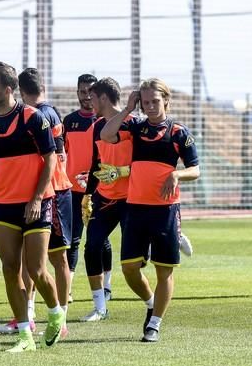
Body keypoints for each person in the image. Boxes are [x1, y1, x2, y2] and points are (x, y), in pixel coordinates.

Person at [0, 62, 65, 353]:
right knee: (9, 269)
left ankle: (56, 313)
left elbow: (50, 159)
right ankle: (25, 336)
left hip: (37, 202)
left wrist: (36, 198)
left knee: (36, 270)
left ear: (8, 90)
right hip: (4, 203)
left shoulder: (33, 118)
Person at [101, 78, 200, 342]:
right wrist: (127, 109)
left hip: (165, 210)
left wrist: (177, 175)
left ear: (166, 100)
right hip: (135, 208)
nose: (151, 107)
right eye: (145, 102)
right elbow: (106, 135)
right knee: (129, 268)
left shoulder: (179, 132)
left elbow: (196, 169)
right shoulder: (135, 127)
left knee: (163, 269)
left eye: (155, 101)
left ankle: (155, 322)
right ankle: (151, 302)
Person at [0, 67, 72, 336]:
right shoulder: (1, 118)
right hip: (35, 194)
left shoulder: (40, 115)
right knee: (22, 263)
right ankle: (27, 315)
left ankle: (61, 317)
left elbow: (53, 156)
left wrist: (39, 195)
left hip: (53, 192)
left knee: (55, 259)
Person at [80, 77, 155, 323]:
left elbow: (145, 166)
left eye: (92, 97)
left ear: (103, 98)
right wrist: (88, 194)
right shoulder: (97, 127)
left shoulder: (136, 125)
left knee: (135, 260)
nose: (89, 102)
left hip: (132, 199)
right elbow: (96, 163)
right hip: (105, 198)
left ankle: (152, 303)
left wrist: (121, 172)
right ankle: (100, 307)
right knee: (92, 246)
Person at [63, 74, 113, 301]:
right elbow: (62, 154)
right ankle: (68, 288)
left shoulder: (106, 123)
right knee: (72, 240)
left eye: (90, 92)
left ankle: (107, 286)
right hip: (74, 190)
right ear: (77, 93)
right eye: (82, 92)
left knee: (100, 239)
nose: (86, 97)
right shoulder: (68, 121)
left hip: (100, 188)